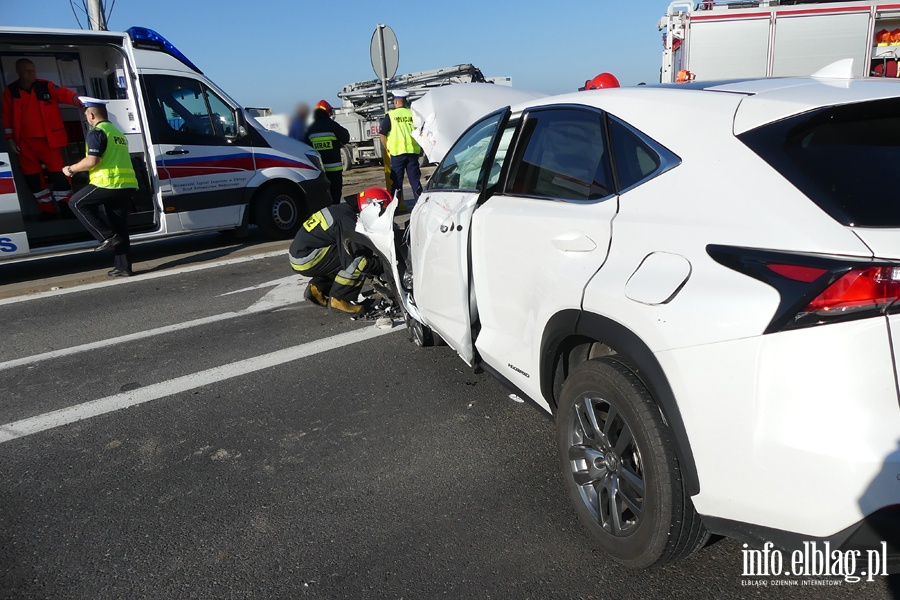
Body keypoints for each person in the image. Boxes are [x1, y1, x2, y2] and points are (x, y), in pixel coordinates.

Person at [63, 97, 138, 277]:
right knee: (119, 226)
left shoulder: (97, 132)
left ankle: (105, 236)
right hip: (126, 184)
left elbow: (92, 161)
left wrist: (71, 169)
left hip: (109, 183)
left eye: (86, 116)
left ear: (90, 115)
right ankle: (123, 267)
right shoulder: (116, 132)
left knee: (76, 202)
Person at [288, 187, 391, 315]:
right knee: (358, 260)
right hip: (306, 259)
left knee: (340, 256)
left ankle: (317, 289)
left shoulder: (344, 211)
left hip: (300, 255)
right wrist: (382, 265)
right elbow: (356, 259)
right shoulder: (350, 222)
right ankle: (340, 298)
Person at [2, 58, 81, 219]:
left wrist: (82, 102)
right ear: (19, 72)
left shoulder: (46, 85)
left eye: (33, 70)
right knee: (32, 178)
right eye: (27, 71)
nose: (32, 73)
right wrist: (11, 139)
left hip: (49, 141)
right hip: (23, 143)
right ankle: (47, 210)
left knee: (59, 175)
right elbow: (6, 117)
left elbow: (66, 95)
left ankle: (65, 207)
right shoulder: (11, 91)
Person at [379, 90, 422, 204]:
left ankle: (395, 207)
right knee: (415, 181)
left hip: (397, 154)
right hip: (412, 153)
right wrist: (420, 149)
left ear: (396, 101)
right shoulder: (412, 114)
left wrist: (386, 147)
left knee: (397, 182)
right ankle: (420, 204)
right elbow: (420, 132)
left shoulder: (391, 115)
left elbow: (382, 134)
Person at [304, 100, 350, 203]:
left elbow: (305, 147)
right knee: (336, 194)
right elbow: (346, 137)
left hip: (318, 170)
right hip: (335, 169)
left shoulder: (309, 128)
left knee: (321, 195)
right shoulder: (332, 125)